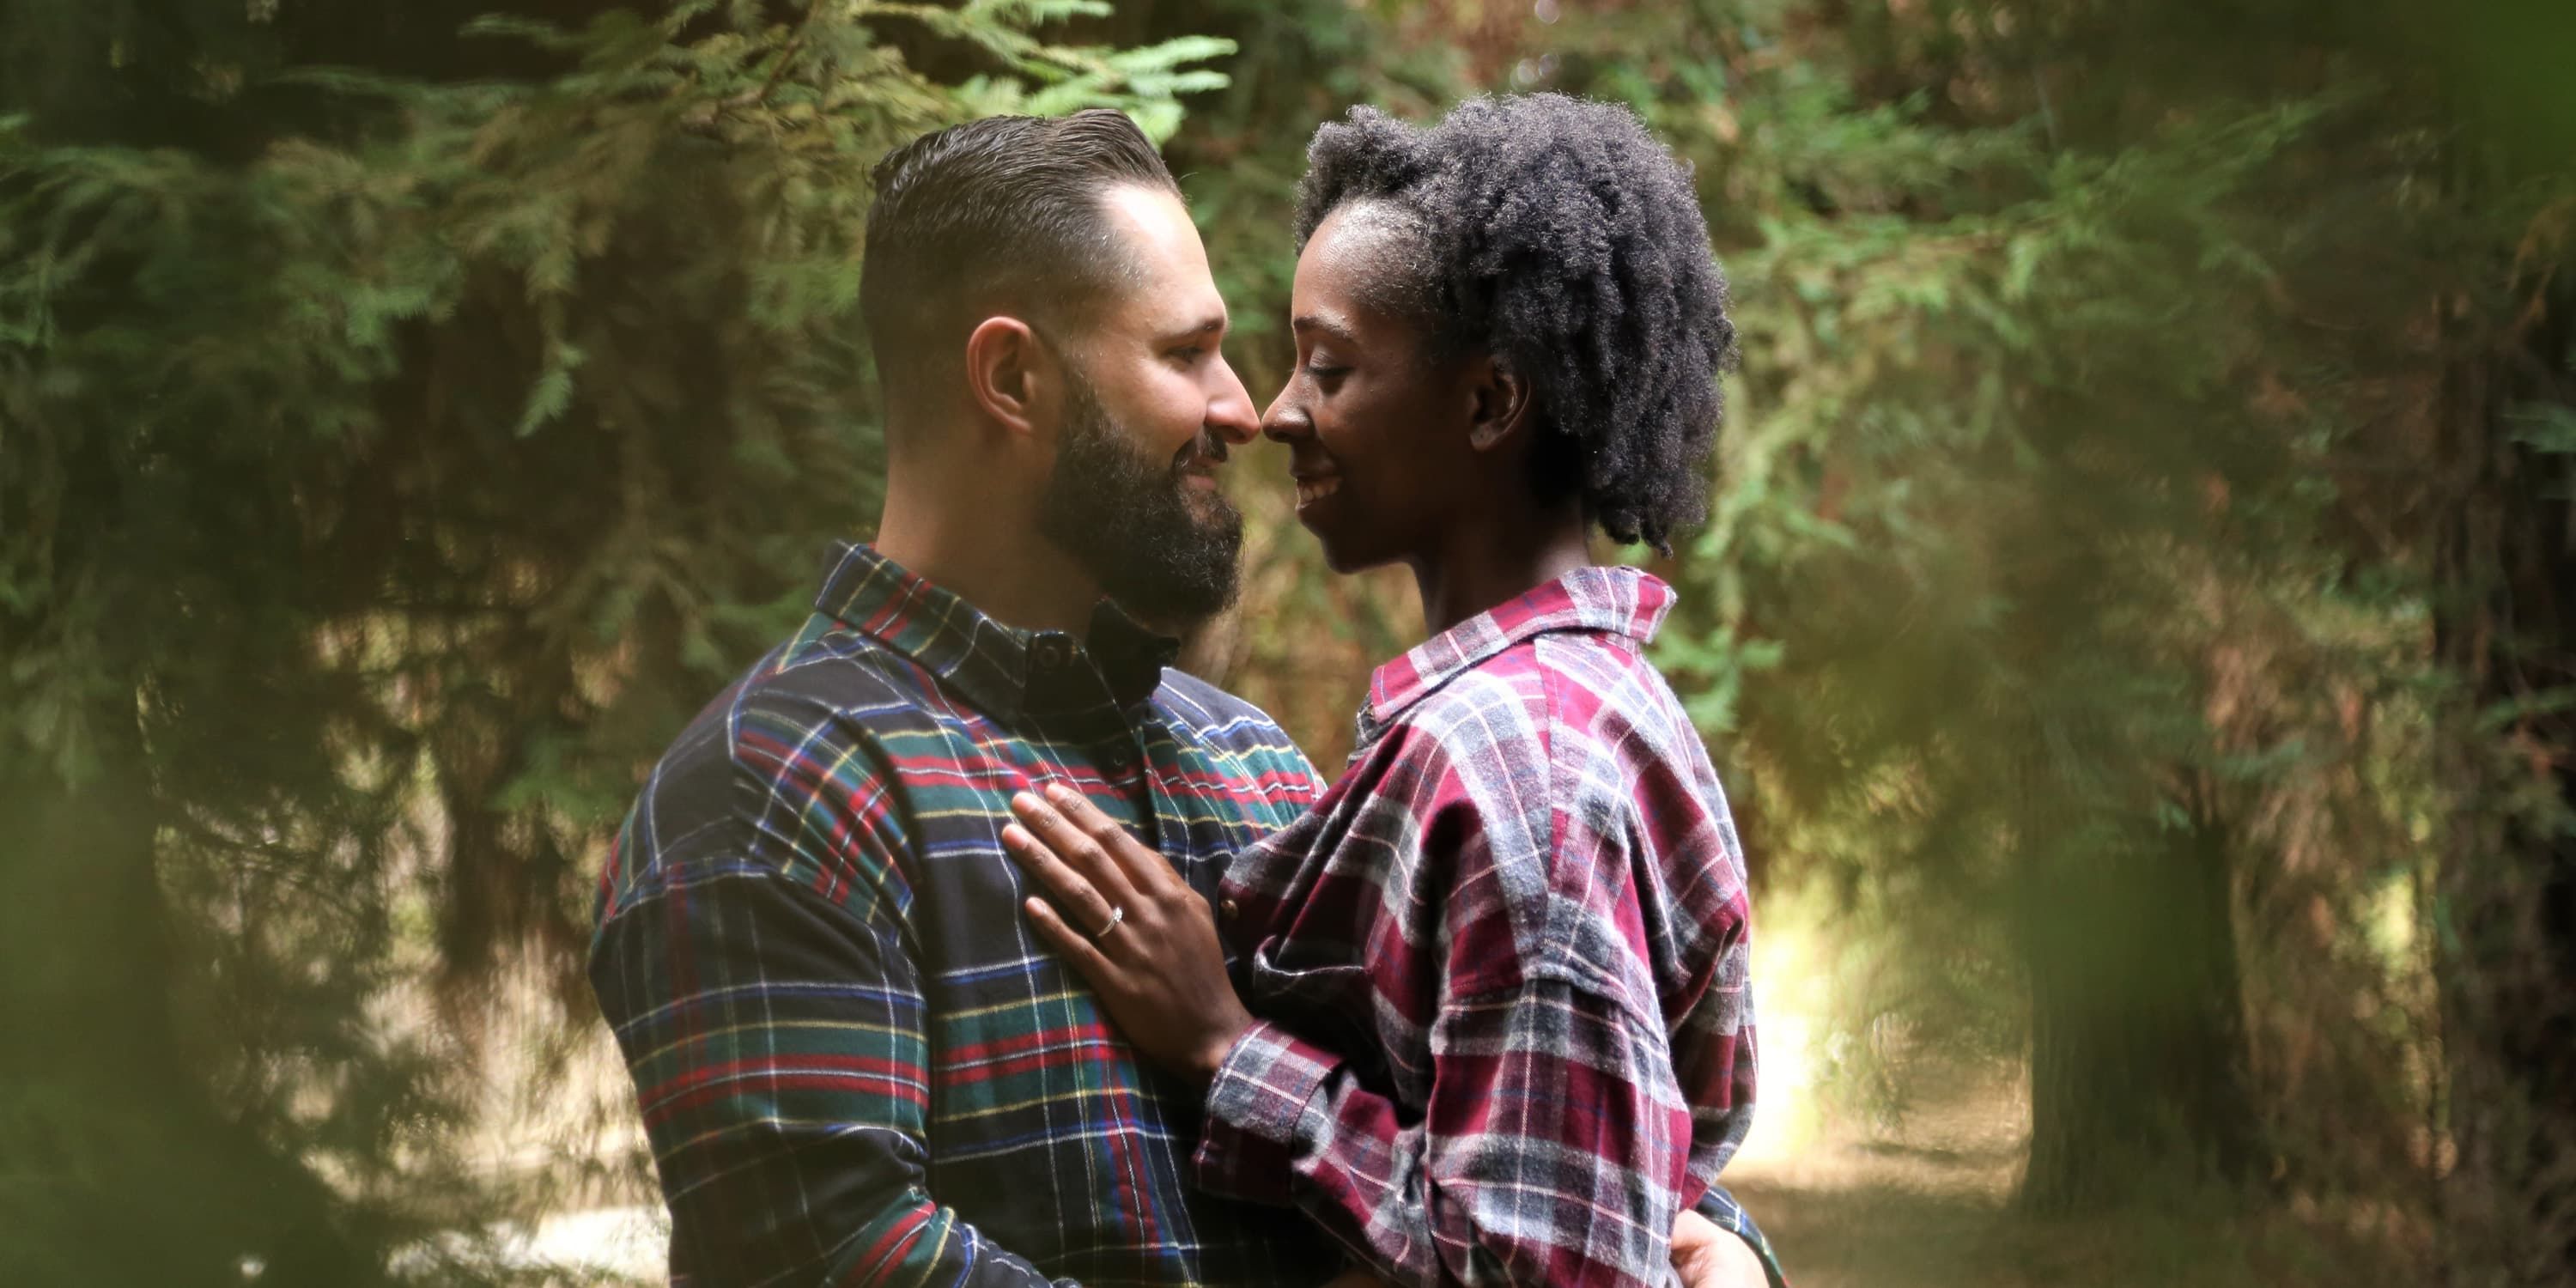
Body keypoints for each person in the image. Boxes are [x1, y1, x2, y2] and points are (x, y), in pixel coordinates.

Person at [586, 106, 1772, 1287]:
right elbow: (837, 1259)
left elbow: (1542, 1138)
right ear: (1012, 377)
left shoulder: (1249, 766)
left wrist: (1729, 1256)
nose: (1246, 409)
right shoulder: (770, 791)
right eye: (1184, 353)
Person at [999, 95, 1782, 1288]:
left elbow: (1543, 1271)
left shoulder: (1523, 771)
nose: (1274, 412)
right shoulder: (1569, 714)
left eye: (1331, 366)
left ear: (1485, 404)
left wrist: (1227, 1045)